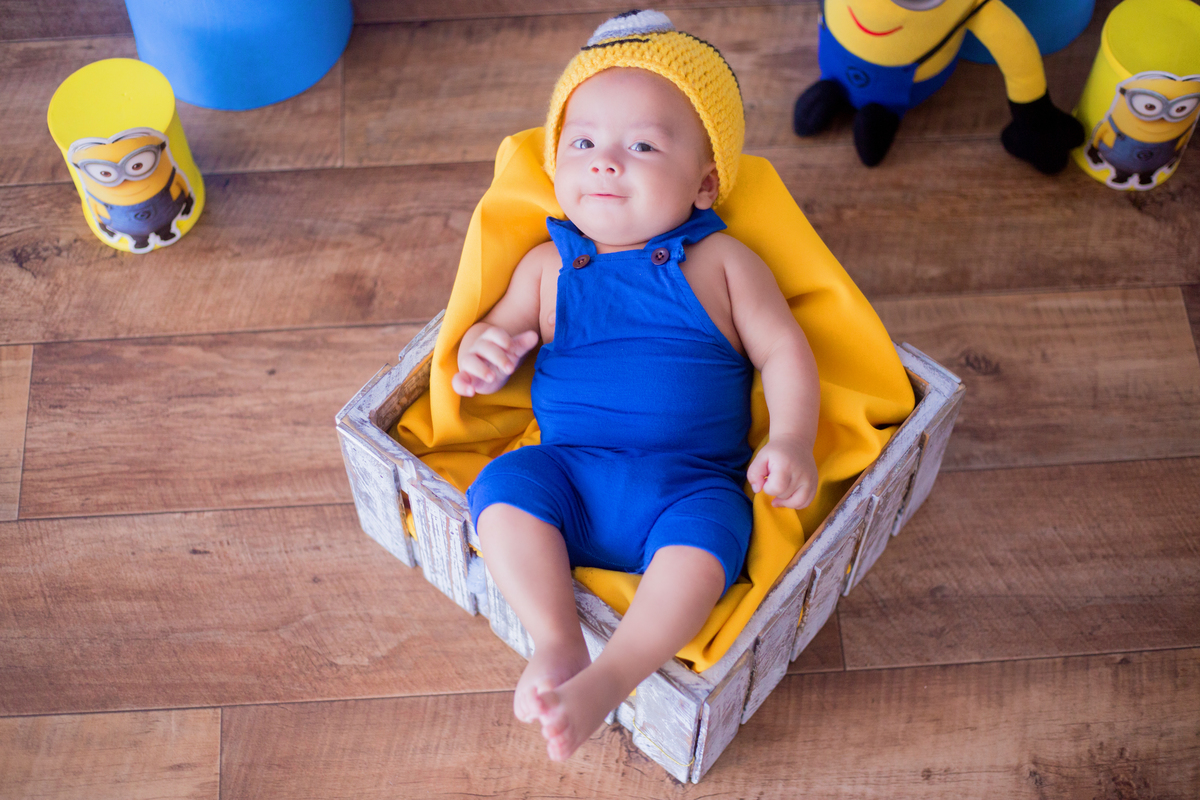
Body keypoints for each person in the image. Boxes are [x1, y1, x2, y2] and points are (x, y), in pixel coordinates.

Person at [451, 10, 820, 762]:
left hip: (688, 483)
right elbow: (488, 336)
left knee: (712, 539)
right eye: (582, 143)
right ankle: (556, 643)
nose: (604, 163)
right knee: (503, 486)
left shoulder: (722, 264)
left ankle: (613, 674)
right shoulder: (546, 269)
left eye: (642, 145)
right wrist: (484, 351)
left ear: (707, 182)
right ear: (556, 166)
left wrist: (791, 439)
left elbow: (785, 352)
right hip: (569, 471)